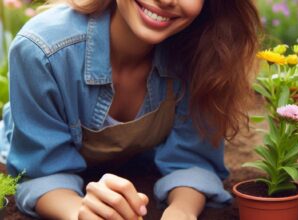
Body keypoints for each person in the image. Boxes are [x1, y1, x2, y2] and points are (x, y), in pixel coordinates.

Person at [0, 0, 260, 219]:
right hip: (30, 155)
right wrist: (81, 212)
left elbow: (192, 161)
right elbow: (41, 172)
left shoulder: (204, 51)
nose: (168, 0)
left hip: (136, 162)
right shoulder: (41, 50)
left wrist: (181, 211)